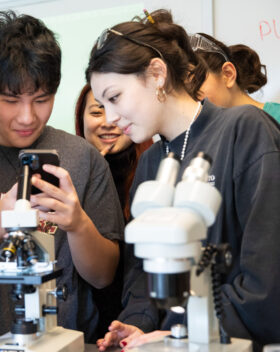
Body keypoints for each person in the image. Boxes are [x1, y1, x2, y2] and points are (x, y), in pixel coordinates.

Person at [86, 9, 280, 351]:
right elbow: (142, 273)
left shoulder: (245, 131)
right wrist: (137, 324)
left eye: (115, 98)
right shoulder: (150, 163)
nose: (112, 118)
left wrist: (182, 329)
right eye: (101, 104)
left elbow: (267, 277)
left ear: (157, 74)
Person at [0, 10, 124, 343]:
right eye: (11, 100)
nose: (27, 117)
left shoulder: (83, 158)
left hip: (64, 341)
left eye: (41, 100)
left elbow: (104, 276)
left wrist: (77, 224)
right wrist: (0, 218)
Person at [74, 83, 152, 335]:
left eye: (117, 108)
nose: (109, 121)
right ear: (81, 119)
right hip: (83, 324)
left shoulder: (155, 171)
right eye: (97, 112)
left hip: (143, 322)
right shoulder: (68, 177)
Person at [191, 32, 280, 123]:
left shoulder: (276, 118)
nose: (191, 99)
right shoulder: (205, 130)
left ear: (228, 74)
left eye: (195, 82)